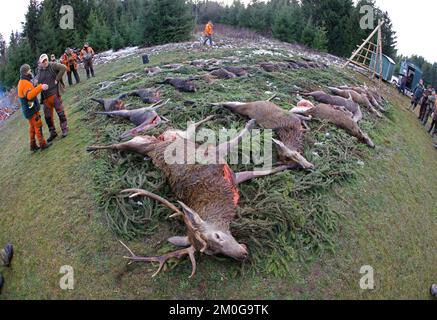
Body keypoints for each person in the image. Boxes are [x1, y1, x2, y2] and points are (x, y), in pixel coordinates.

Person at [17, 64, 52, 152]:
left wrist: (35, 86)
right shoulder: (24, 83)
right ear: (25, 72)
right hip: (31, 109)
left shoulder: (23, 81)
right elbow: (29, 96)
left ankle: (32, 146)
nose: (31, 72)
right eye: (29, 71)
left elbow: (29, 92)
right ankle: (42, 144)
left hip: (29, 109)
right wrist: (40, 87)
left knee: (32, 127)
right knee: (38, 125)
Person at [35, 53, 69, 141]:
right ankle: (53, 133)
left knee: (60, 113)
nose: (45, 62)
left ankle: (65, 129)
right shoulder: (39, 71)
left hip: (54, 94)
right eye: (43, 61)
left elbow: (64, 68)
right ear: (40, 63)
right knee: (47, 118)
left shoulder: (53, 65)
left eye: (46, 60)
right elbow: (37, 82)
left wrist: (57, 79)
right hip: (45, 98)